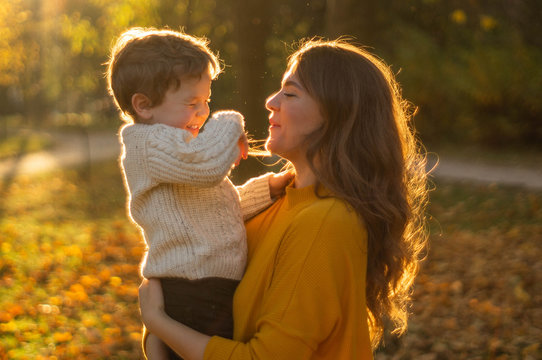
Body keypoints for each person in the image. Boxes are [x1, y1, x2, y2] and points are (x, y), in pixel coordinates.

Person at [139, 38, 429, 359]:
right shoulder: (277, 199)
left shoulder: (327, 222)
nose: (270, 101)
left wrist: (156, 321)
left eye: (290, 93)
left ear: (338, 114)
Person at [106, 28, 292, 359]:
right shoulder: (147, 144)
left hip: (209, 287)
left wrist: (266, 189)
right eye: (192, 103)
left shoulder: (174, 150)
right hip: (191, 290)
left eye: (207, 101)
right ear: (144, 106)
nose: (203, 112)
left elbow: (214, 208)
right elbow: (207, 165)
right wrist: (231, 121)